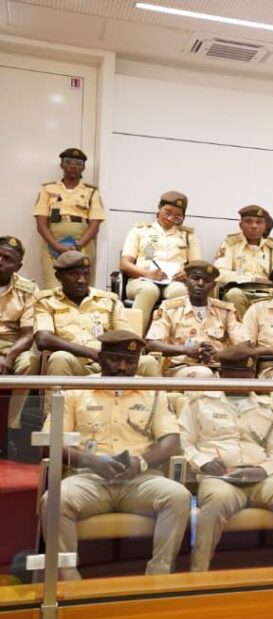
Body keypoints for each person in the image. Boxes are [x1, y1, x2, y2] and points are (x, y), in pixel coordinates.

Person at [40, 331, 189, 580]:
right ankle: (68, 581)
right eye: (114, 359)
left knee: (178, 496)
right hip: (90, 478)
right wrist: (90, 461)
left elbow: (171, 441)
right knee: (54, 500)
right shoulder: (75, 391)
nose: (122, 367)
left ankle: (159, 578)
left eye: (130, 361)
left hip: (139, 479)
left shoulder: (153, 391)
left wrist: (141, 462)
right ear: (100, 358)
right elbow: (49, 443)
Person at [180, 345, 273, 572]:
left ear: (254, 375)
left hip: (262, 478)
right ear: (221, 374)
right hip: (220, 477)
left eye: (246, 375)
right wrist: (203, 463)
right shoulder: (199, 402)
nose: (242, 382)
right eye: (235, 375)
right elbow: (185, 443)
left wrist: (262, 470)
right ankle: (199, 573)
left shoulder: (269, 407)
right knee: (215, 501)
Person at [34, 251, 159, 377]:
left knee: (148, 362)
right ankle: (57, 392)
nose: (82, 280)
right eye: (74, 274)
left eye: (86, 274)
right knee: (60, 358)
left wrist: (111, 358)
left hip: (111, 364)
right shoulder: (46, 302)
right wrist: (91, 353)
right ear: (58, 276)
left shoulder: (109, 301)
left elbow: (126, 336)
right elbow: (44, 339)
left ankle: (157, 393)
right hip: (76, 364)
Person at [145, 261, 249, 378]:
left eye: (207, 280)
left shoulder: (226, 311)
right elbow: (152, 344)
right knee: (204, 374)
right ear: (186, 281)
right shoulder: (170, 309)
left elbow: (245, 346)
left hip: (219, 369)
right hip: (181, 370)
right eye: (195, 278)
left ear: (214, 285)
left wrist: (218, 354)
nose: (200, 283)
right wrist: (185, 350)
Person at [119, 191, 201, 332]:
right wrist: (147, 274)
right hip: (142, 280)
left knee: (180, 291)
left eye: (177, 217)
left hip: (174, 282)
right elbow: (124, 264)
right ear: (159, 208)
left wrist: (186, 272)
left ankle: (174, 340)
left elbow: (197, 266)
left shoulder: (188, 236)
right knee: (149, 290)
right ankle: (133, 338)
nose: (170, 219)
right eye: (167, 213)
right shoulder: (140, 231)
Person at [33, 147, 104, 290]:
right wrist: (57, 247)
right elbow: (41, 225)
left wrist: (77, 247)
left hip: (83, 246)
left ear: (83, 168)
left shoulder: (91, 192)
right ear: (62, 165)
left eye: (78, 163)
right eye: (68, 162)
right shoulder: (48, 189)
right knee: (53, 288)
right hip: (52, 246)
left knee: (78, 287)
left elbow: (94, 225)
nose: (73, 166)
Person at [214, 205, 273, 318]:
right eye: (249, 221)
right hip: (240, 290)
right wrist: (252, 279)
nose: (254, 226)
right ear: (241, 225)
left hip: (266, 293)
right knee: (233, 294)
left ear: (265, 226)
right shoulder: (230, 244)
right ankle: (241, 327)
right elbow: (220, 273)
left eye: (259, 222)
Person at [0, 236, 40, 427]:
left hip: (12, 345)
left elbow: (28, 333)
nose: (0, 261)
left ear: (18, 267)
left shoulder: (28, 290)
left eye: (8, 259)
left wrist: (9, 356)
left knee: (29, 361)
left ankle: (11, 426)